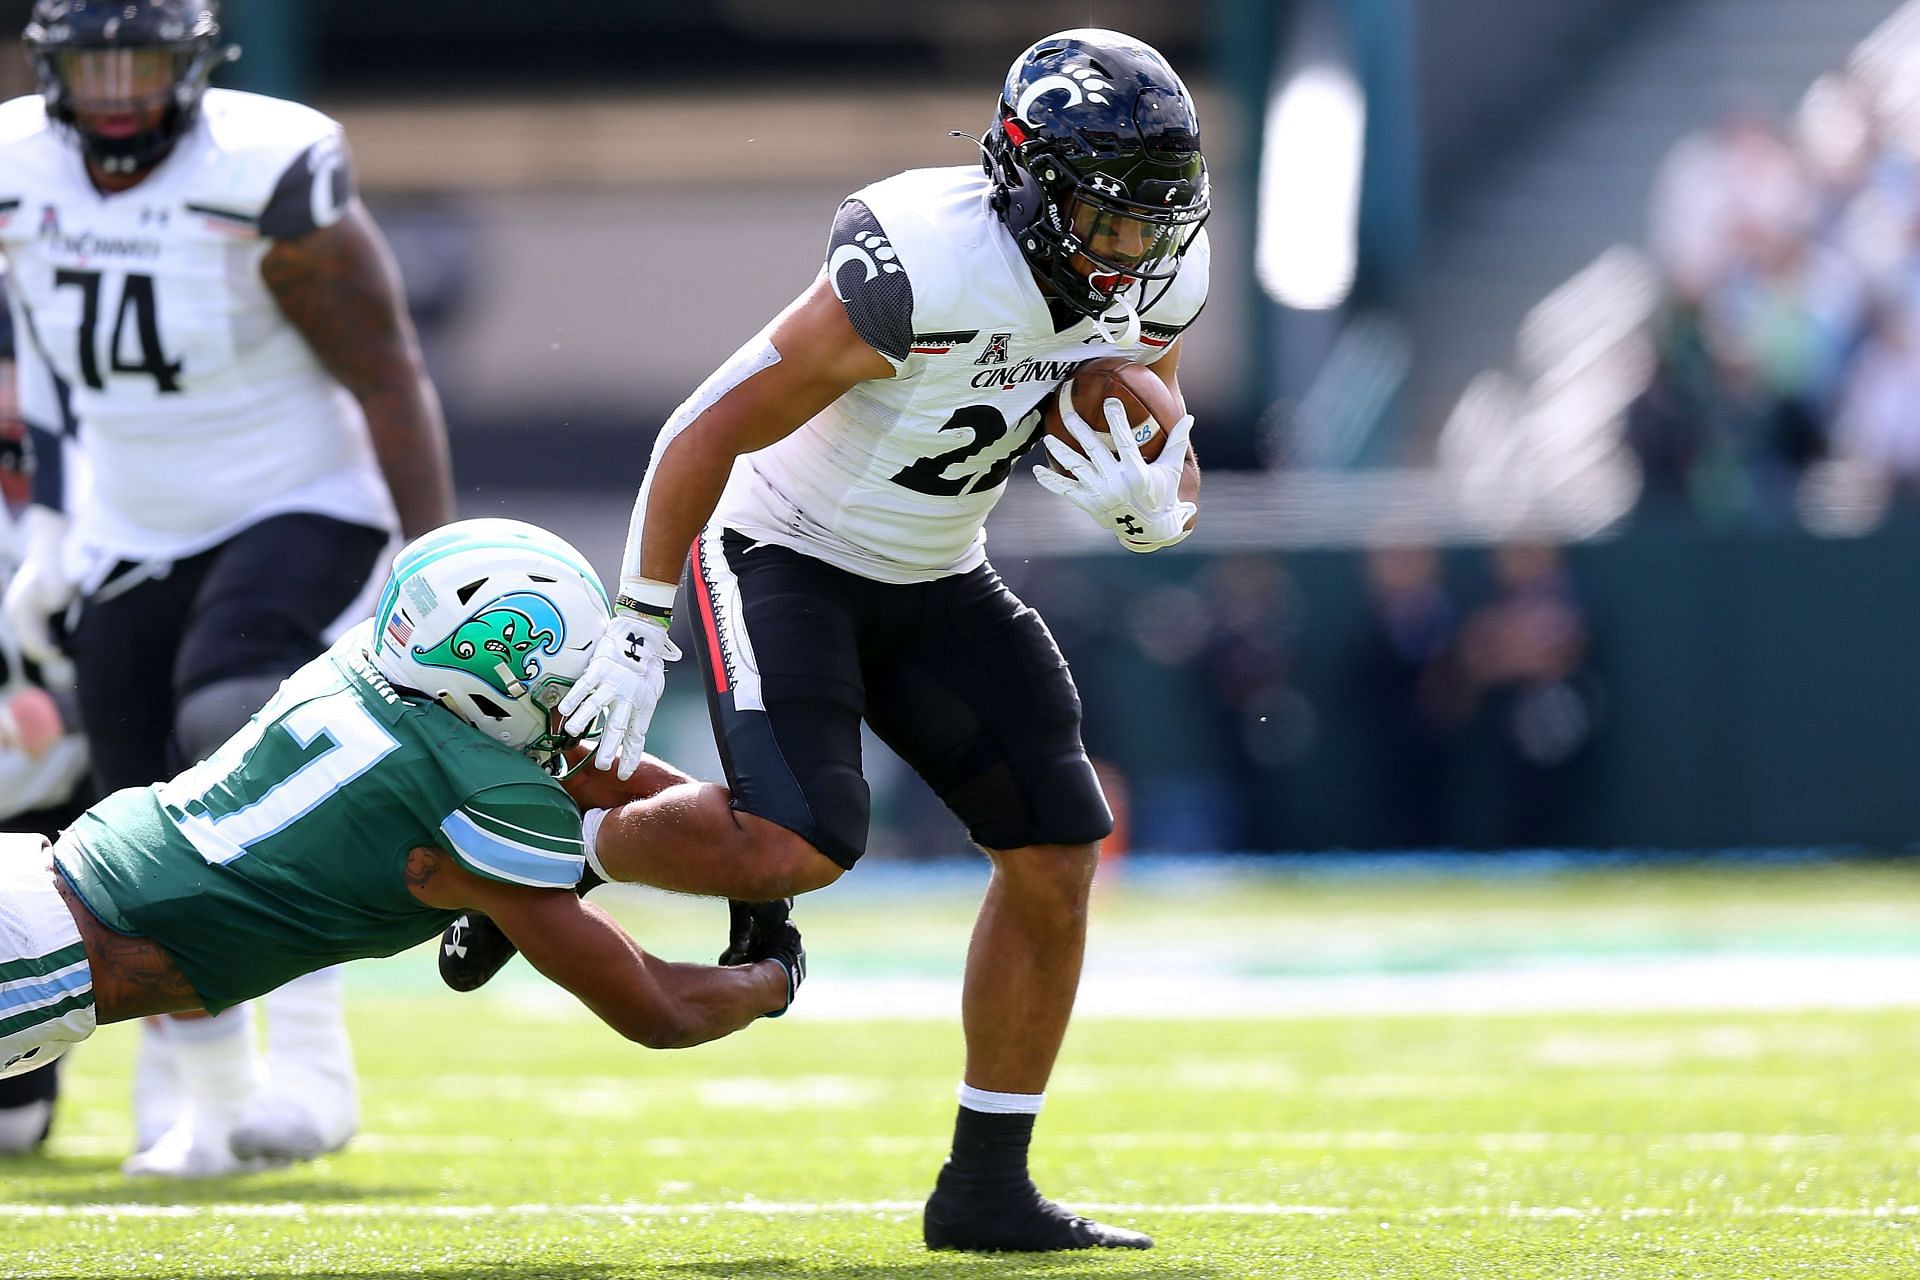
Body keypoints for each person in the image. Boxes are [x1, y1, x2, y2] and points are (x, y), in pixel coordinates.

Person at [445, 28, 1207, 1252]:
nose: (1126, 254)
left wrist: (1162, 509)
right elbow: (699, 429)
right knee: (798, 845)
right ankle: (550, 842)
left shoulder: (1155, 269)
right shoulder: (921, 261)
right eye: (1103, 219)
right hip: (783, 550)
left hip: (938, 566)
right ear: (1021, 176)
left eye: (1146, 224)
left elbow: (1156, 427)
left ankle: (985, 1187)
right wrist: (640, 619)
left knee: (1060, 846)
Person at [0, 0, 456, 1175]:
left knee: (230, 724)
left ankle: (308, 1069)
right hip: (129, 521)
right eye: (90, 65)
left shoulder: (263, 167)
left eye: (140, 64)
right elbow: (45, 352)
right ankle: (206, 1103)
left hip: (296, 497)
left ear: (194, 67)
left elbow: (388, 367)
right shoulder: (16, 169)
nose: (114, 93)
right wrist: (51, 523)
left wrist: (436, 558)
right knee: (136, 808)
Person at [0, 519, 804, 1095]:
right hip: (47, 955)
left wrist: (753, 875)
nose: (573, 711)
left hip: (42, 883)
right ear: (495, 672)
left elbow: (594, 773)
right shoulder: (476, 800)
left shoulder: (369, 663)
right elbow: (657, 1007)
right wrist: (771, 977)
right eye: (563, 681)